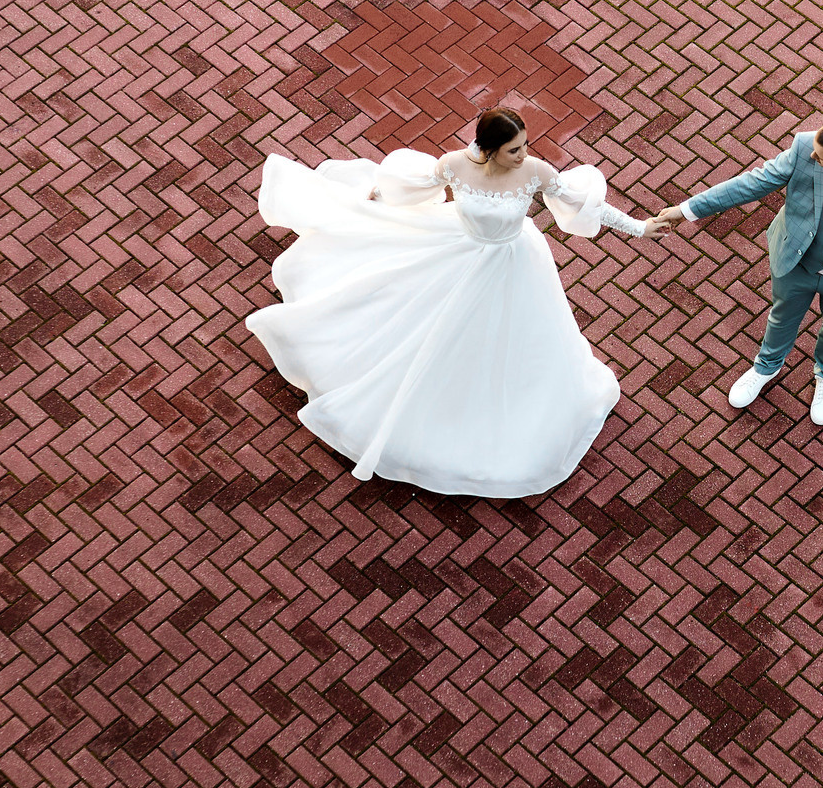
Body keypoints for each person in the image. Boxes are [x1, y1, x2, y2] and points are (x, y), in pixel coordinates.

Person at [247, 108, 654, 498]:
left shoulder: (535, 173)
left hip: (514, 264)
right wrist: (375, 194)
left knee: (521, 339)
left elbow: (588, 206)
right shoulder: (455, 164)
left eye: (526, 144)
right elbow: (416, 185)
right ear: (490, 149)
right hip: (460, 254)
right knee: (433, 331)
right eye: (515, 148)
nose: (524, 154)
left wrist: (639, 228)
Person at [646, 114, 823, 425]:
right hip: (795, 260)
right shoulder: (804, 147)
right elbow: (751, 184)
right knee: (782, 316)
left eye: (822, 156)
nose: (813, 156)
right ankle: (767, 366)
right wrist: (686, 210)